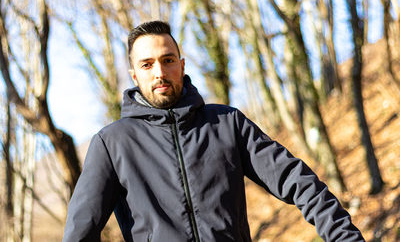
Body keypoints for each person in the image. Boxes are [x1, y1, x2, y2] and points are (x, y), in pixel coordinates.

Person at [63, 20, 364, 242]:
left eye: (167, 61)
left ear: (181, 65)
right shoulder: (112, 143)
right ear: (134, 75)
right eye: (147, 64)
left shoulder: (226, 123)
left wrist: (344, 237)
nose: (159, 72)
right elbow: (80, 230)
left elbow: (298, 181)